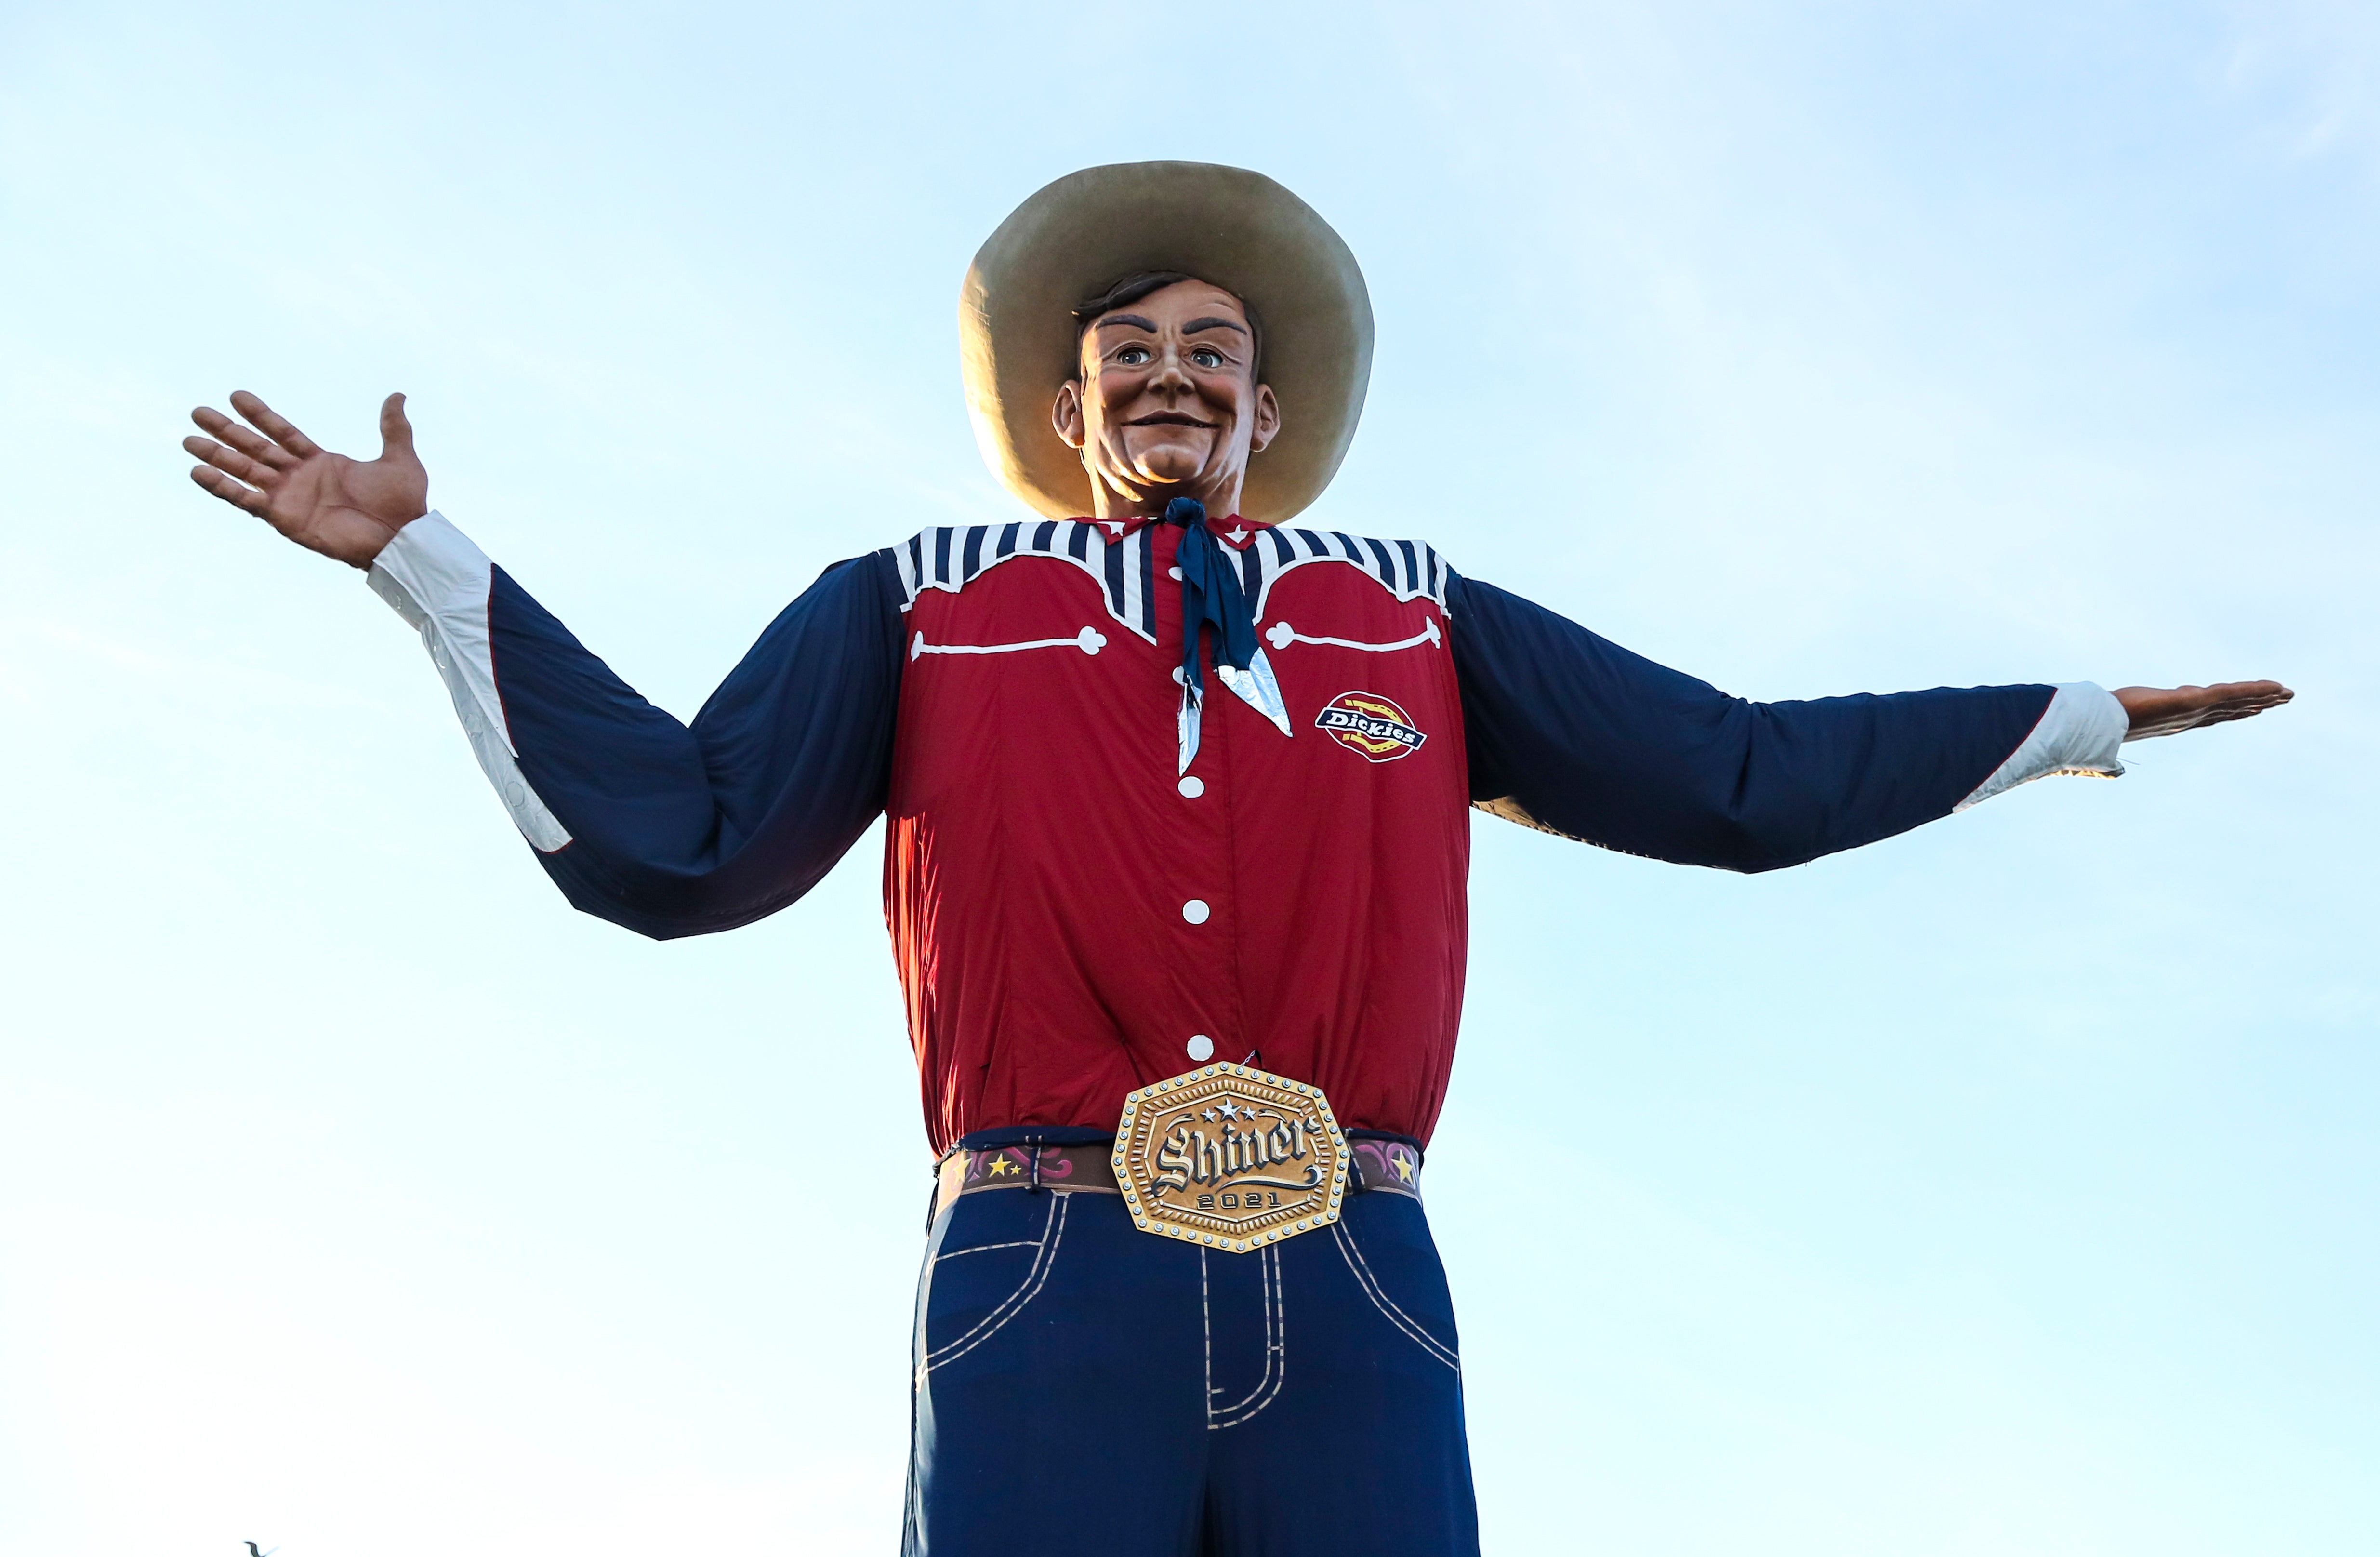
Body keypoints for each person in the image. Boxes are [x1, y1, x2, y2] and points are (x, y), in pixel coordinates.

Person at [182, 161, 2289, 1557]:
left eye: (1211, 354)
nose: (1172, 377)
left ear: (1263, 409)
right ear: (1071, 403)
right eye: (1130, 354)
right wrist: (424, 570)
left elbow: (1726, 771)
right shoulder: (925, 595)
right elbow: (688, 837)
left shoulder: (1406, 610)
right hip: (1039, 1254)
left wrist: (2066, 721)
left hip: (1353, 1251)